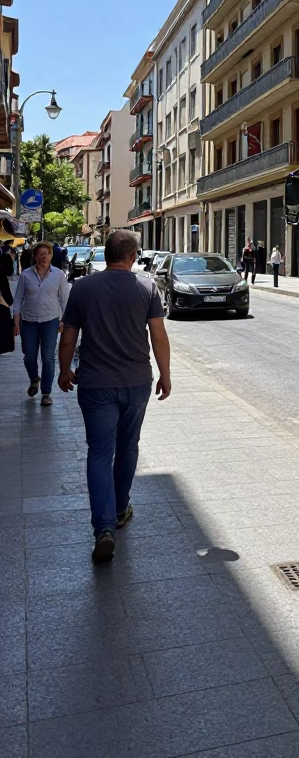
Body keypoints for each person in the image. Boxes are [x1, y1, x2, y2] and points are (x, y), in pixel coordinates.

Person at [58, 229, 172, 564]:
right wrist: (165, 375)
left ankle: (104, 528)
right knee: (128, 446)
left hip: (95, 383)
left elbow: (68, 338)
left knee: (99, 452)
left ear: (106, 254)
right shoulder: (146, 286)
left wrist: (65, 371)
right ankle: (121, 508)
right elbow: (159, 335)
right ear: (134, 256)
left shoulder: (83, 288)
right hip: (136, 381)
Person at [12, 240, 70, 406]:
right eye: (40, 254)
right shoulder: (26, 275)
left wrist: (64, 320)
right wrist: (16, 319)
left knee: (47, 357)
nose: (44, 257)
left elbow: (65, 300)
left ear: (51, 256)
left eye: (47, 254)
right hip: (28, 321)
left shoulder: (58, 275)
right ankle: (34, 379)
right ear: (35, 256)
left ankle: (46, 392)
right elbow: (18, 298)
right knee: (29, 356)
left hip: (50, 320)